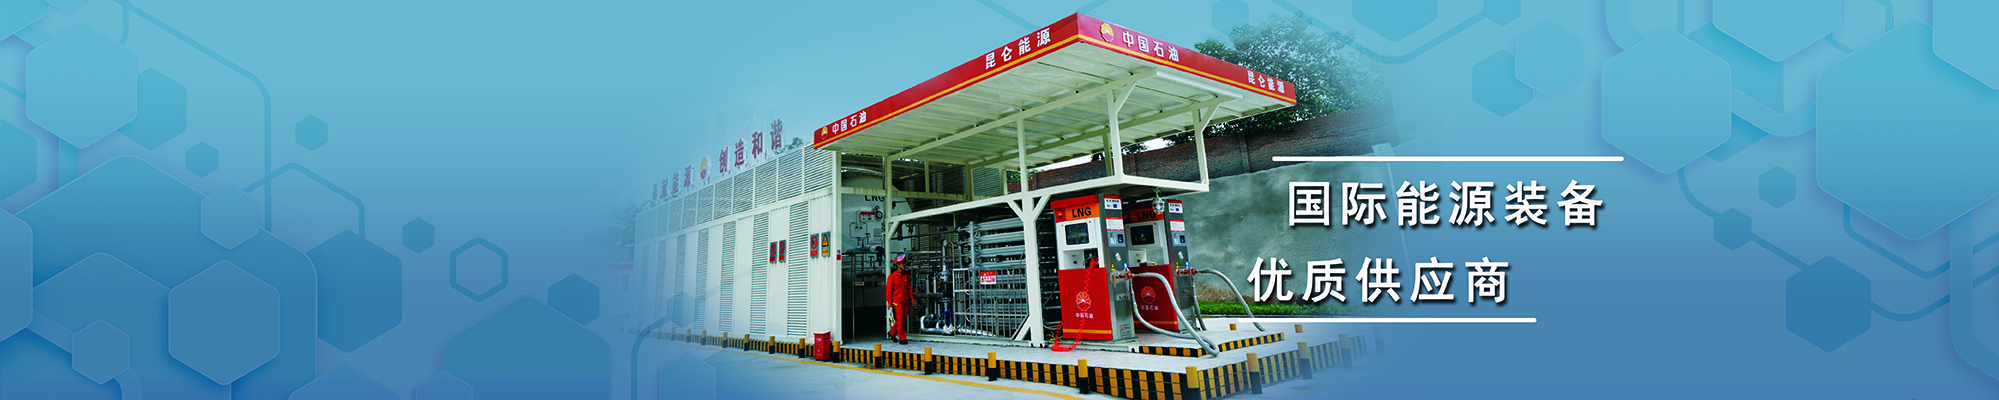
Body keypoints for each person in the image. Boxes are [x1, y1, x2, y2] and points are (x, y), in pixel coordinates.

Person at [885, 253, 912, 345]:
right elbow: (888, 290)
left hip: (905, 300)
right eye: (903, 263)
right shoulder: (891, 277)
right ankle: (902, 338)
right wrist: (889, 302)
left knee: (903, 319)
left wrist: (912, 299)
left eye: (904, 263)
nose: (904, 265)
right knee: (900, 319)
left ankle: (892, 333)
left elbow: (909, 288)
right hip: (897, 301)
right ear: (898, 265)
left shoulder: (906, 276)